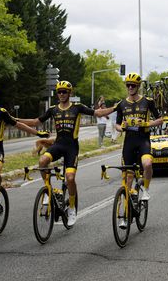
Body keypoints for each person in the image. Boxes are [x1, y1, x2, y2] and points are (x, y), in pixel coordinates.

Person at [19, 81, 114, 226]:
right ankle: (47, 191)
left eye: (64, 92)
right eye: (59, 92)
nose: (62, 94)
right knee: (42, 162)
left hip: (72, 147)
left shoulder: (77, 108)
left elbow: (99, 112)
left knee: (70, 178)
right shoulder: (53, 109)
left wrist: (116, 108)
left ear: (70, 93)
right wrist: (14, 119)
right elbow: (34, 122)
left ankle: (71, 207)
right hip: (58, 145)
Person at [114, 72, 163, 220]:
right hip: (129, 142)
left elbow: (160, 120)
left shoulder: (148, 101)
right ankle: (124, 216)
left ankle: (146, 189)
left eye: (133, 85)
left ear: (138, 86)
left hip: (143, 140)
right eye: (128, 85)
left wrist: (146, 124)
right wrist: (121, 127)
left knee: (147, 163)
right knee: (127, 180)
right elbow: (116, 124)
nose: (130, 87)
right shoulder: (122, 104)